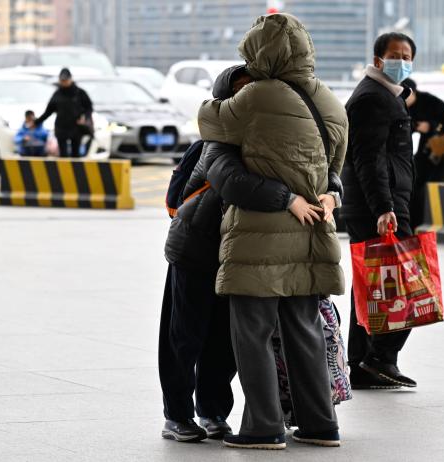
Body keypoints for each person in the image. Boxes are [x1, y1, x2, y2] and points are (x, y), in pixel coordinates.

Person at [198, 13, 348, 450]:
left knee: (253, 332)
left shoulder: (257, 96)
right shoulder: (332, 101)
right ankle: (321, 425)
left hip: (260, 235)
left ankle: (262, 427)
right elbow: (334, 172)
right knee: (304, 329)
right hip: (314, 231)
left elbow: (212, 121)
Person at [160, 64, 331, 443]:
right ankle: (176, 415)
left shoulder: (273, 145)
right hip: (195, 250)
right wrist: (285, 198)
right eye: (239, 92)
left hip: (238, 256)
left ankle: (213, 412)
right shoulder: (213, 143)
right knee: (184, 336)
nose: (247, 99)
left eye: (253, 91)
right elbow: (185, 196)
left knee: (224, 342)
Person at [341, 32, 418, 390]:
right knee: (405, 283)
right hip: (380, 206)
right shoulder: (372, 98)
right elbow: (368, 159)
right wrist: (384, 207)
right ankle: (380, 357)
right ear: (377, 60)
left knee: (372, 287)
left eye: (406, 56)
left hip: (380, 203)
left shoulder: (386, 96)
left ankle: (360, 365)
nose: (401, 61)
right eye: (394, 55)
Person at [402, 78, 444, 229]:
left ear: (413, 92)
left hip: (442, 150)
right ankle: (414, 224)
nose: (404, 99)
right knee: (415, 184)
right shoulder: (402, 106)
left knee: (435, 186)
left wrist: (430, 126)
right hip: (424, 150)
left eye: (406, 95)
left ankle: (433, 222)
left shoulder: (430, 102)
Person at [35, 68, 93, 158]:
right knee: (63, 155)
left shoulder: (80, 93)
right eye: (62, 80)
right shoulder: (57, 94)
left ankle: (75, 172)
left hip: (76, 127)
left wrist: (85, 118)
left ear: (71, 79)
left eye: (66, 80)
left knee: (75, 154)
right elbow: (49, 111)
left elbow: (89, 108)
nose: (64, 82)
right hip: (61, 128)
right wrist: (37, 122)